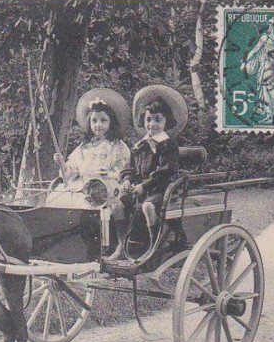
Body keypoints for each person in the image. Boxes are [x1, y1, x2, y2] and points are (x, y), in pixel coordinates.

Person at [105, 84, 186, 261]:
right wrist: (127, 179)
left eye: (158, 120)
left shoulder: (168, 144)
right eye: (149, 119)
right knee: (118, 205)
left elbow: (166, 171)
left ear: (166, 123)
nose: (152, 124)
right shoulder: (140, 144)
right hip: (139, 188)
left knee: (148, 206)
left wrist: (144, 185)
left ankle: (153, 247)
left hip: (161, 189)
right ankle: (121, 245)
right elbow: (129, 167)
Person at [47, 87, 131, 212]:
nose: (98, 125)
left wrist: (108, 175)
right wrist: (62, 164)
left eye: (103, 120)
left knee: (95, 203)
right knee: (58, 198)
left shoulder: (117, 146)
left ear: (111, 123)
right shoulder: (84, 147)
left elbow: (123, 171)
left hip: (104, 189)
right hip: (81, 186)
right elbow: (71, 172)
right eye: (94, 120)